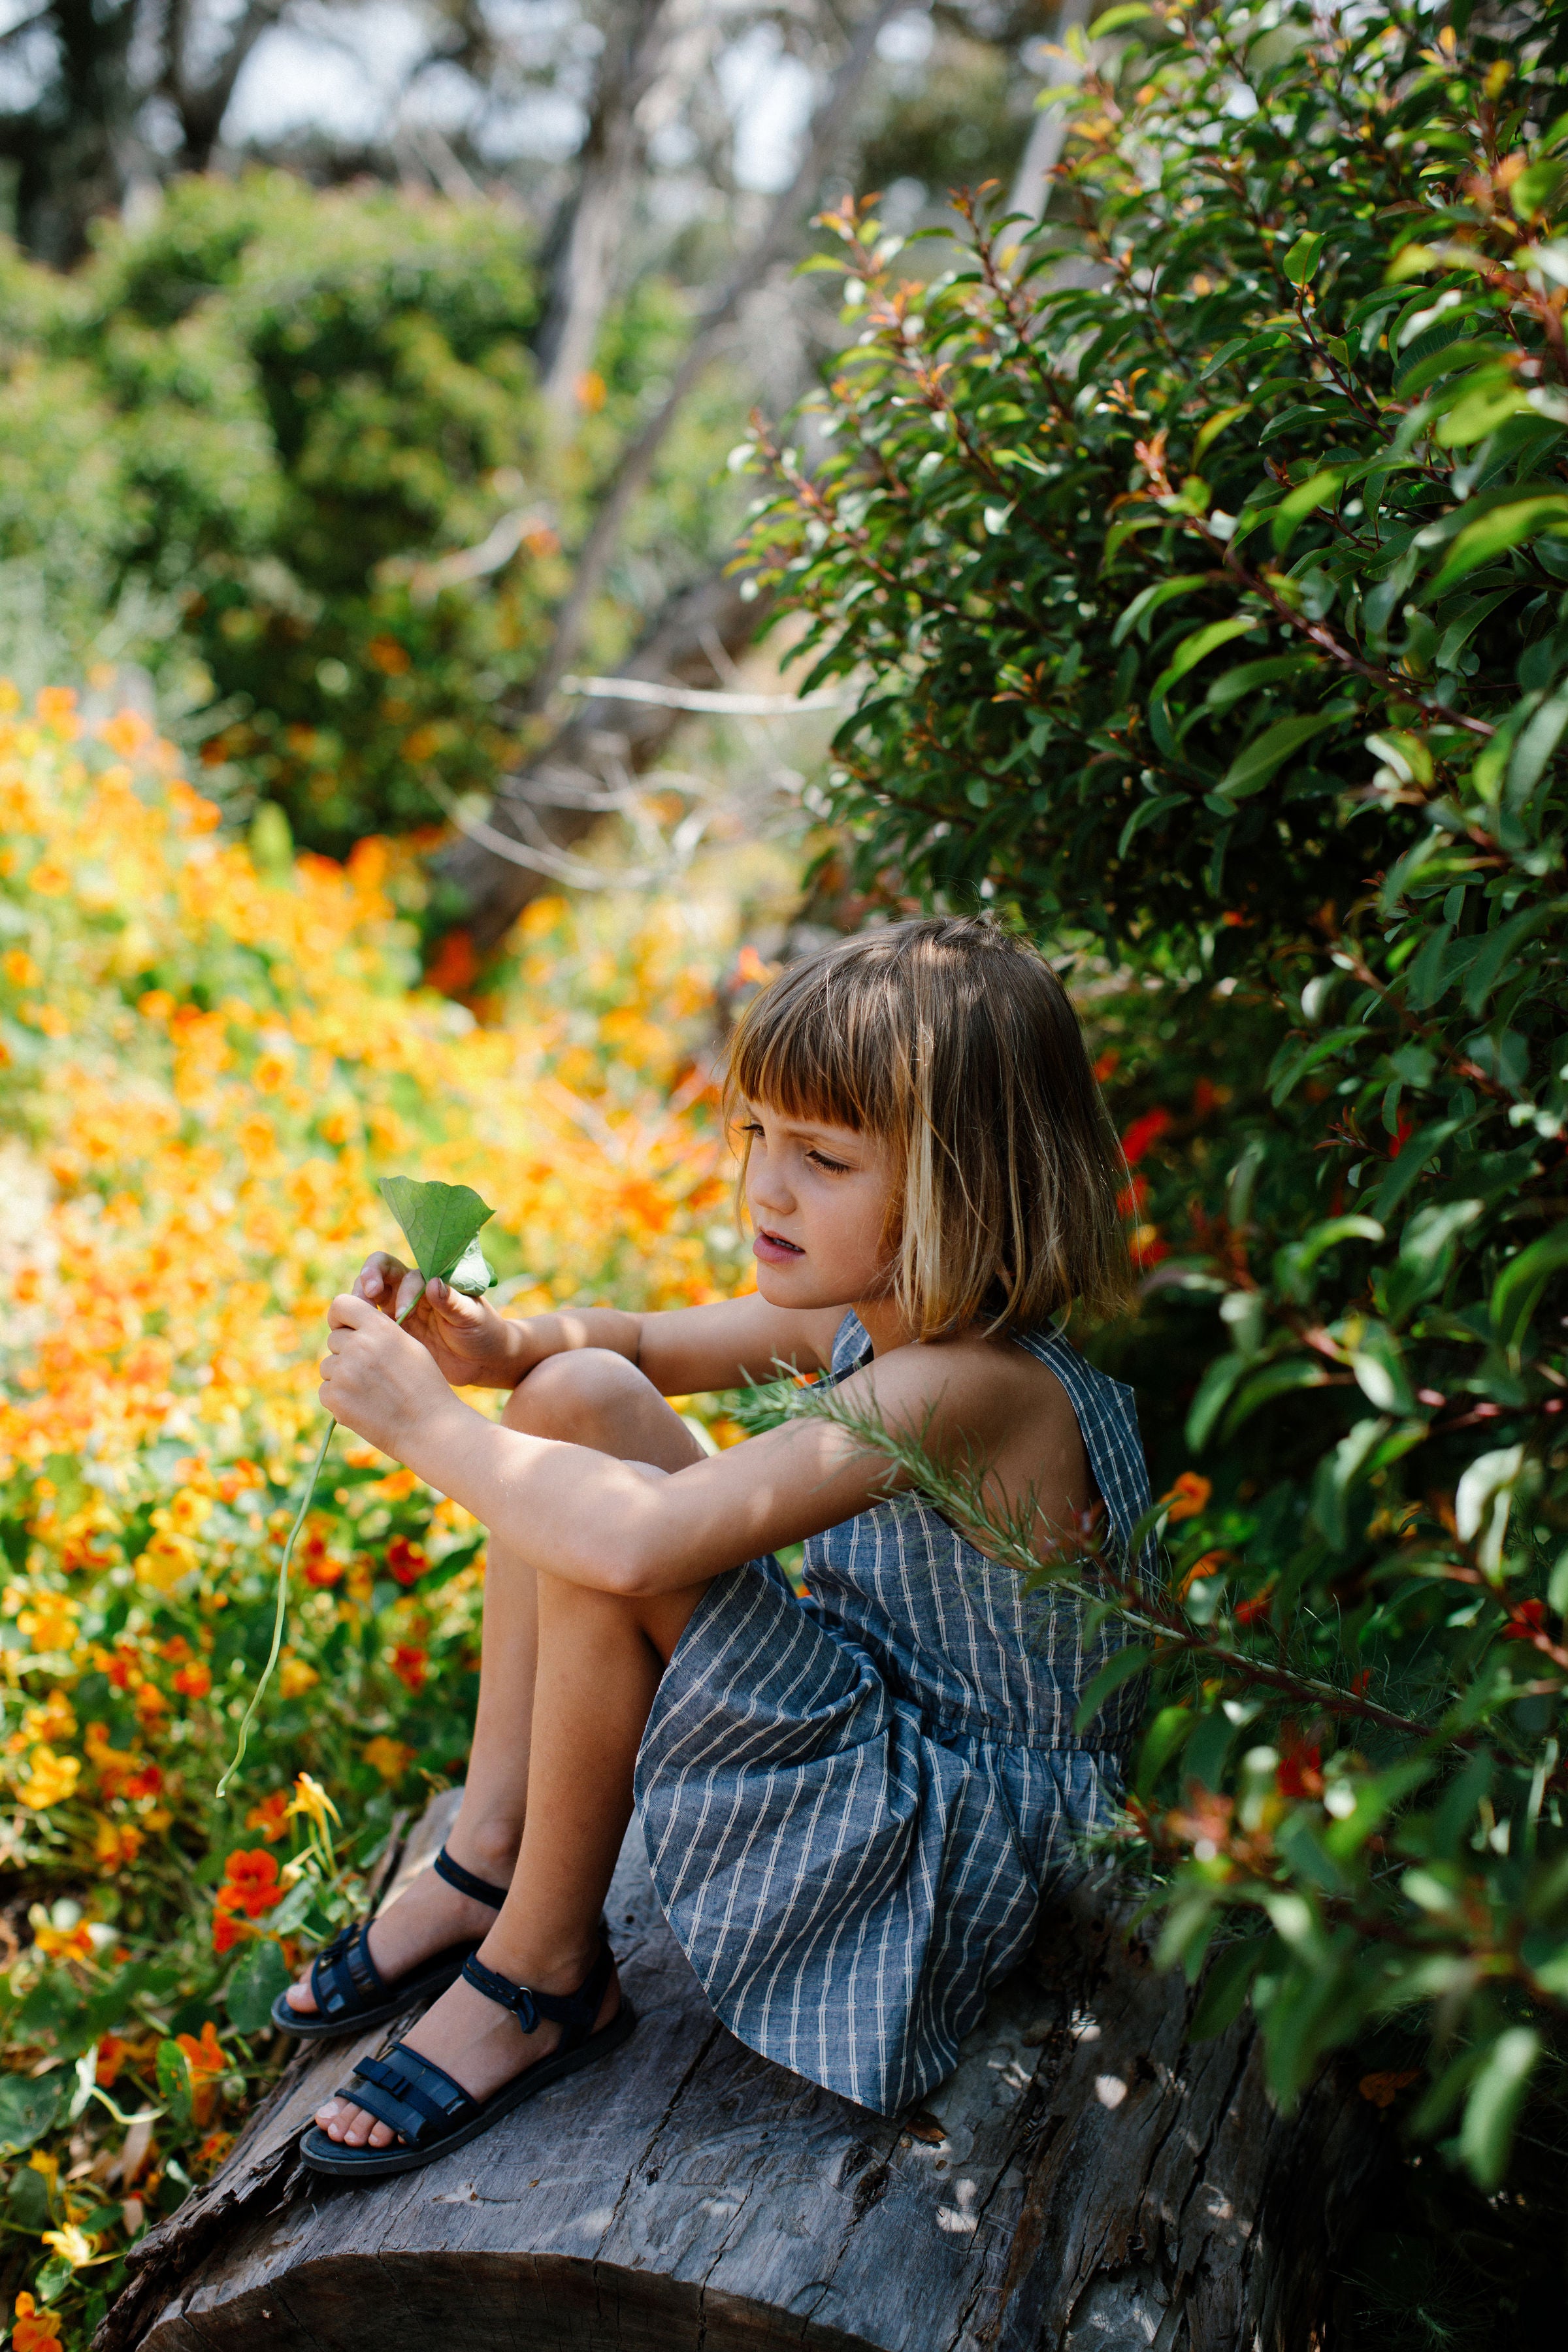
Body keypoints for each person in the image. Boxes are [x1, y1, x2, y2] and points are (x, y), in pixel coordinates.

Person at [284, 915, 1154, 2178]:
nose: (768, 1188)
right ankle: (492, 1851)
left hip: (952, 1841)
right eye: (760, 1136)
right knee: (574, 1398)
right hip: (880, 1718)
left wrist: (424, 1426)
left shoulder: (972, 1382)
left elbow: (646, 1546)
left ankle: (544, 1976)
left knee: (603, 1539)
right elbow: (633, 1347)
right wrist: (498, 1350)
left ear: (963, 1184)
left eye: (826, 1158)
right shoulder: (885, 1311)